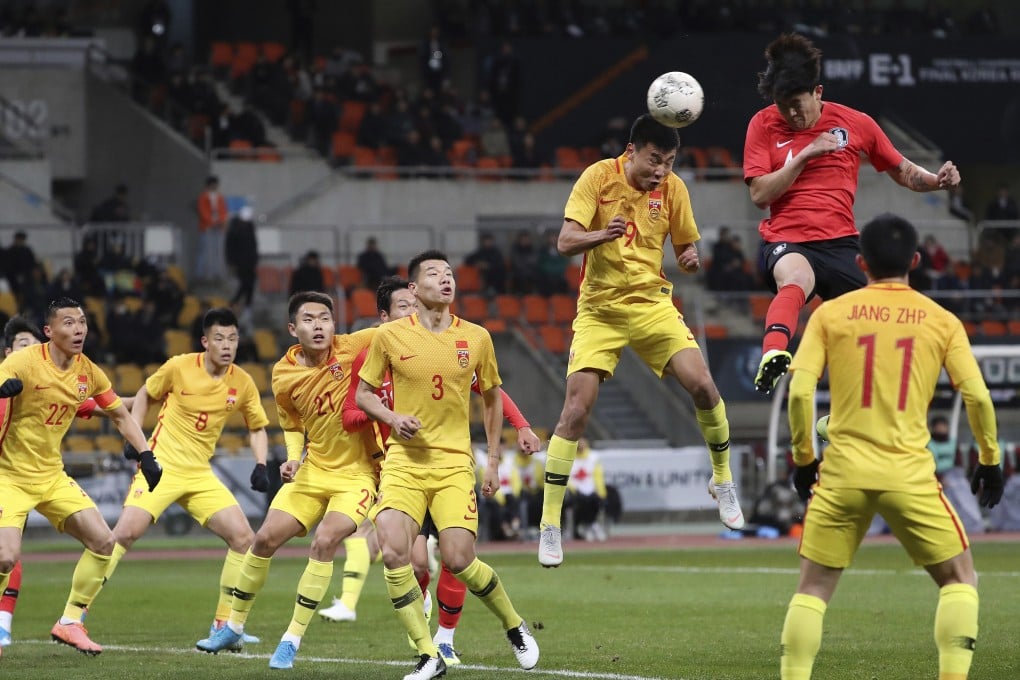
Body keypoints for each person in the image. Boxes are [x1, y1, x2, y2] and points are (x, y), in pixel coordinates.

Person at [782, 214, 1002, 680]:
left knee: (813, 590)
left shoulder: (829, 315)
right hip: (908, 475)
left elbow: (800, 392)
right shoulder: (941, 320)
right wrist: (990, 458)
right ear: (916, 262)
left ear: (861, 262)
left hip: (841, 474)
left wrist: (804, 460)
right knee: (960, 580)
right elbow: (978, 397)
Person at [538, 114, 744, 568]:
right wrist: (601, 234)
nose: (661, 171)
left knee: (704, 386)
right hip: (600, 311)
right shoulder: (597, 176)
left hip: (652, 306)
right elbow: (565, 241)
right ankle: (550, 523)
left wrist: (690, 258)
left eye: (669, 162)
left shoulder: (674, 190)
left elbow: (687, 250)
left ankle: (723, 481)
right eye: (655, 160)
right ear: (632, 151)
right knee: (576, 410)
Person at [323, 275, 540, 668]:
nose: (413, 312)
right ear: (384, 317)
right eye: (403, 307)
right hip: (399, 466)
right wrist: (388, 417)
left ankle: (447, 638)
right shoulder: (376, 353)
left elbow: (489, 391)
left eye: (414, 304)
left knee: (457, 556)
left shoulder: (441, 348)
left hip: (450, 465)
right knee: (413, 560)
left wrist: (521, 425)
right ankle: (426, 645)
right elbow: (353, 408)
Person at [743, 33, 961, 395]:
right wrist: (805, 155)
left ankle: (842, 415)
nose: (792, 114)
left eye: (798, 104)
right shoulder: (762, 125)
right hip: (787, 239)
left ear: (818, 91)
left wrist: (937, 181)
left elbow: (903, 170)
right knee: (795, 279)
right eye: (784, 106)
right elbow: (759, 194)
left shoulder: (856, 123)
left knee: (880, 318)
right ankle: (773, 355)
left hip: (842, 244)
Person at [196, 292, 378, 670]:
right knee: (262, 539)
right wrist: (293, 459)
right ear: (293, 328)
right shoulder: (283, 373)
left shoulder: (356, 344)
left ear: (334, 324)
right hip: (313, 472)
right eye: (309, 319)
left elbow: (397, 331)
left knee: (325, 541)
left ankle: (291, 640)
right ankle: (233, 625)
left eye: (325, 318)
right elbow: (293, 424)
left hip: (357, 475)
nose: (318, 326)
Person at [95, 307, 269, 646]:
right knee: (123, 535)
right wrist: (136, 441)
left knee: (244, 538)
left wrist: (261, 463)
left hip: (200, 473)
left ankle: (224, 626)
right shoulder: (179, 367)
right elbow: (145, 393)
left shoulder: (243, 382)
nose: (227, 345)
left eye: (233, 338)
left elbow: (258, 427)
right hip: (163, 466)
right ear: (206, 341)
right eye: (219, 338)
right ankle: (75, 614)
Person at [0, 298, 161, 656]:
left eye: (83, 322)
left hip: (51, 476)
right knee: (5, 557)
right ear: (49, 331)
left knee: (105, 543)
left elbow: (119, 414)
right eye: (69, 323)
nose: (78, 330)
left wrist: (146, 453)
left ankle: (71, 621)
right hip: (8, 476)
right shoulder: (22, 362)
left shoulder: (87, 372)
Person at [195, 175, 229, 284]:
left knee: (218, 251)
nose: (215, 186)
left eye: (216, 184)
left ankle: (218, 273)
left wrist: (221, 222)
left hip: (218, 227)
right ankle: (205, 275)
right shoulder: (203, 197)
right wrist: (212, 222)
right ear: (209, 185)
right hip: (207, 228)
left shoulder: (220, 197)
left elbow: (224, 211)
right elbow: (203, 212)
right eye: (214, 184)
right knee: (206, 252)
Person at [224, 206, 259, 310]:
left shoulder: (250, 228)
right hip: (239, 262)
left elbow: (253, 245)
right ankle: (235, 302)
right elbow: (229, 248)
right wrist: (231, 263)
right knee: (246, 283)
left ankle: (246, 304)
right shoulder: (234, 230)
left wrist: (255, 259)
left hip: (250, 261)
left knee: (250, 283)